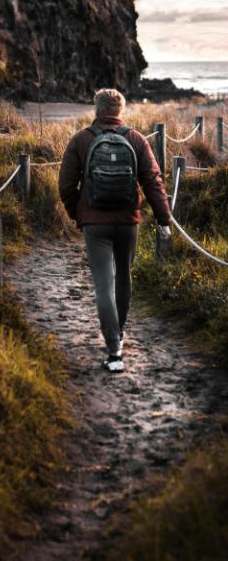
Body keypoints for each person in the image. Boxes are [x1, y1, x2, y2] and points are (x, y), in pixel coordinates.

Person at [59, 88, 172, 372]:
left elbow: (66, 186)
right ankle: (119, 334)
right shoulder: (136, 139)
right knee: (123, 277)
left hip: (95, 224)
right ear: (120, 110)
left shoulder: (81, 139)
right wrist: (163, 219)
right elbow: (153, 181)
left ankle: (114, 350)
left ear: (96, 109)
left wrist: (80, 214)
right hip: (127, 221)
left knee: (103, 285)